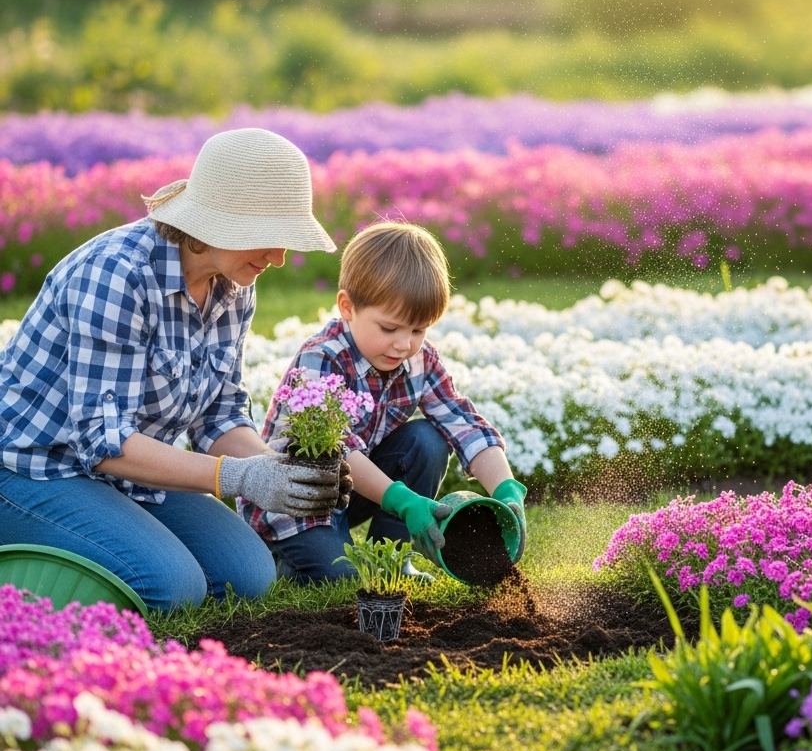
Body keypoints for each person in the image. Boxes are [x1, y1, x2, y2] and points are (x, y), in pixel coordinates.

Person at [0, 128, 346, 611]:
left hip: (126, 471)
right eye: (269, 237)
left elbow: (220, 414)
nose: (279, 258)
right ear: (218, 226)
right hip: (33, 469)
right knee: (172, 587)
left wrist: (279, 472)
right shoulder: (117, 276)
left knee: (248, 576)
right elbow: (103, 442)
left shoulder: (232, 282)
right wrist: (240, 478)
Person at [240, 221, 528, 582]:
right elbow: (339, 450)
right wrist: (404, 502)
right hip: (295, 502)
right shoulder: (322, 358)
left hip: (350, 491)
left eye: (418, 330)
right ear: (347, 306)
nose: (403, 344)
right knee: (342, 577)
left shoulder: (419, 360)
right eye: (389, 328)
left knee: (427, 439)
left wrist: (505, 487)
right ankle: (282, 558)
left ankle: (390, 560)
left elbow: (462, 422)